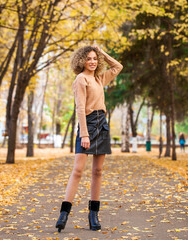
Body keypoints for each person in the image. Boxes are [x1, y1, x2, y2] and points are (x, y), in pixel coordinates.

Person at [55, 45, 123, 232]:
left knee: (98, 171)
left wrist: (103, 53)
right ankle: (64, 214)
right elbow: (80, 108)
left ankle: (93, 215)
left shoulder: (99, 79)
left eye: (95, 58)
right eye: (89, 58)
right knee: (78, 170)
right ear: (81, 61)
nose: (92, 62)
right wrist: (84, 133)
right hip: (89, 124)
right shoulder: (81, 79)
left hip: (102, 126)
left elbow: (118, 67)